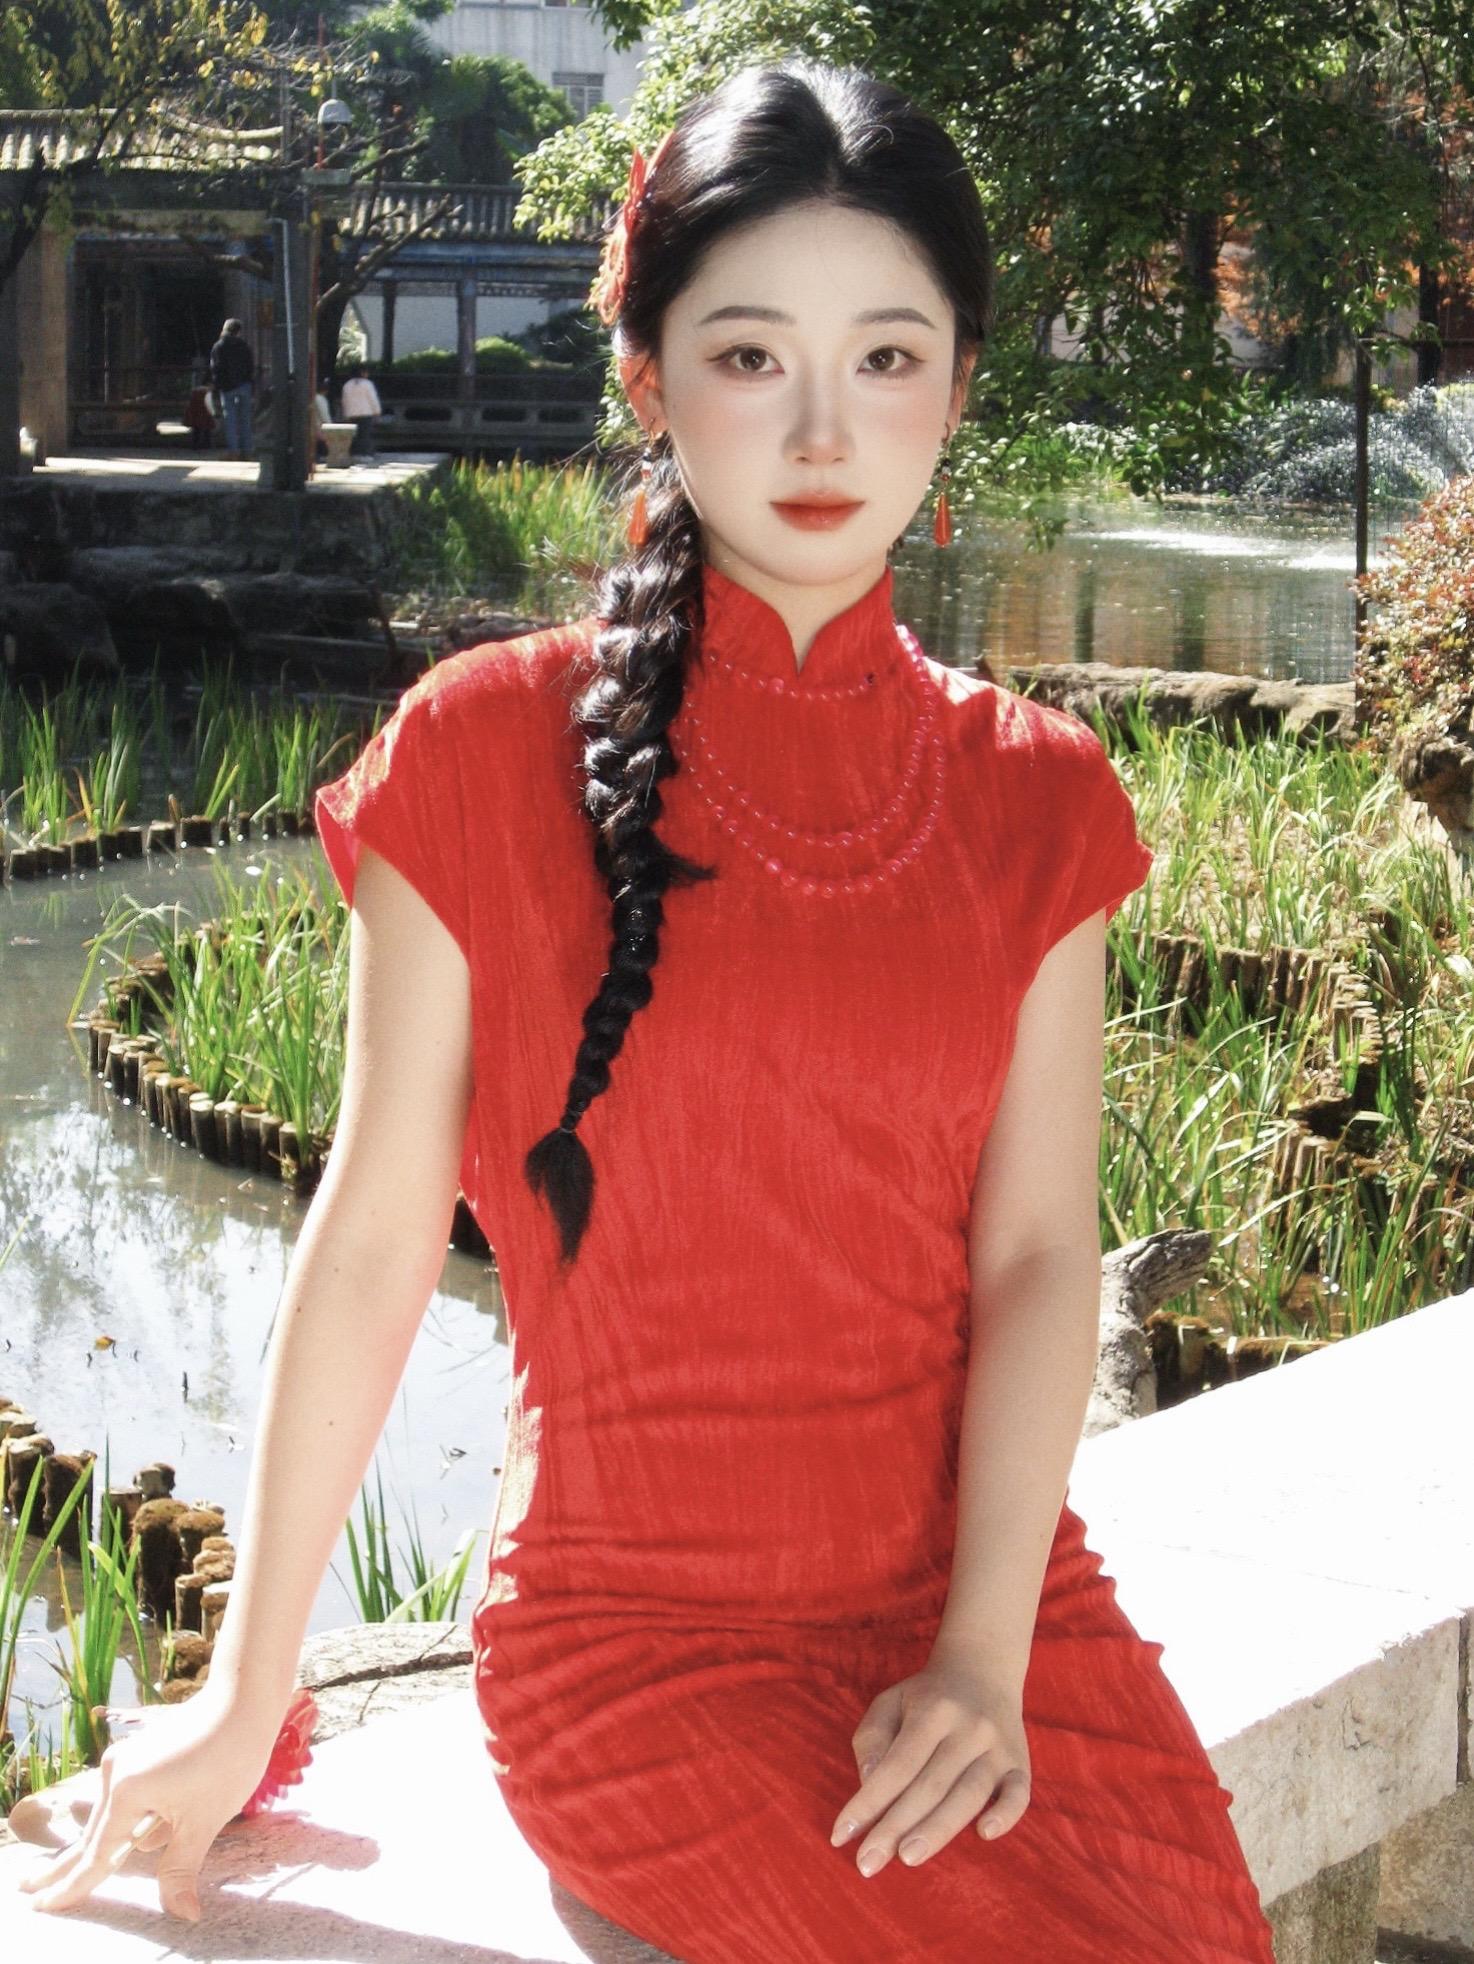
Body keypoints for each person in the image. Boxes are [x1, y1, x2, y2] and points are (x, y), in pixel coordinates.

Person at [17, 57, 1277, 1961]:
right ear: (647, 376)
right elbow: (372, 1235)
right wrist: (241, 1684)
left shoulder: (1036, 792)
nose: (822, 426)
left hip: (986, 1612)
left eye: (885, 355)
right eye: (749, 354)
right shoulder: (478, 745)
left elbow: (1035, 1252)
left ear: (956, 383)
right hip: (642, 1644)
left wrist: (977, 1651)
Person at [207, 319, 254, 461]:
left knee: (230, 421)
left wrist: (216, 385)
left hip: (227, 387)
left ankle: (233, 452)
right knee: (245, 420)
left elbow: (216, 368)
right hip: (244, 385)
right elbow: (250, 365)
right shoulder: (244, 346)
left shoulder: (219, 346)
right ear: (239, 332)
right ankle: (247, 452)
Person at [338, 360, 381, 460]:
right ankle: (365, 454)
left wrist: (345, 413)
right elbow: (373, 399)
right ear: (362, 372)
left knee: (354, 436)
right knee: (365, 434)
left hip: (351, 413)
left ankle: (354, 454)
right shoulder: (367, 384)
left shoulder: (347, 385)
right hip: (366, 413)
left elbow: (344, 400)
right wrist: (377, 412)